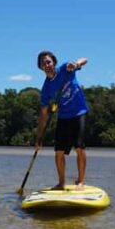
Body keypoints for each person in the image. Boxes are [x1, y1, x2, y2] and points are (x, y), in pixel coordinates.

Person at [34, 50, 89, 191]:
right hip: (63, 116)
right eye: (43, 64)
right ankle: (61, 183)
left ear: (54, 62)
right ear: (40, 67)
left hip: (79, 112)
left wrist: (76, 64)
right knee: (58, 151)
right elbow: (43, 114)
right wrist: (39, 138)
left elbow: (84, 59)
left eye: (48, 62)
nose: (46, 65)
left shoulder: (65, 68)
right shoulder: (46, 88)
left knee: (79, 147)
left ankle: (81, 181)